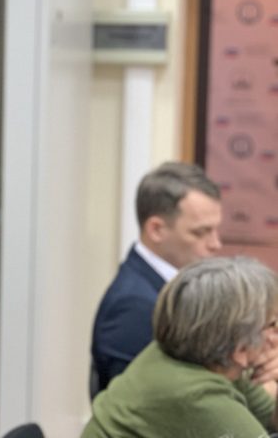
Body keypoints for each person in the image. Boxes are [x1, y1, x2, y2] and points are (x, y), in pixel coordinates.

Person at [82, 256, 278, 437]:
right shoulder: (197, 396)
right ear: (240, 347)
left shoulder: (204, 358)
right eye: (272, 325)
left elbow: (269, 417)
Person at [91, 162, 222, 393]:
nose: (215, 244)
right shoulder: (133, 306)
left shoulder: (172, 288)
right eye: (200, 232)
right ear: (156, 230)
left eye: (215, 230)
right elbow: (146, 403)